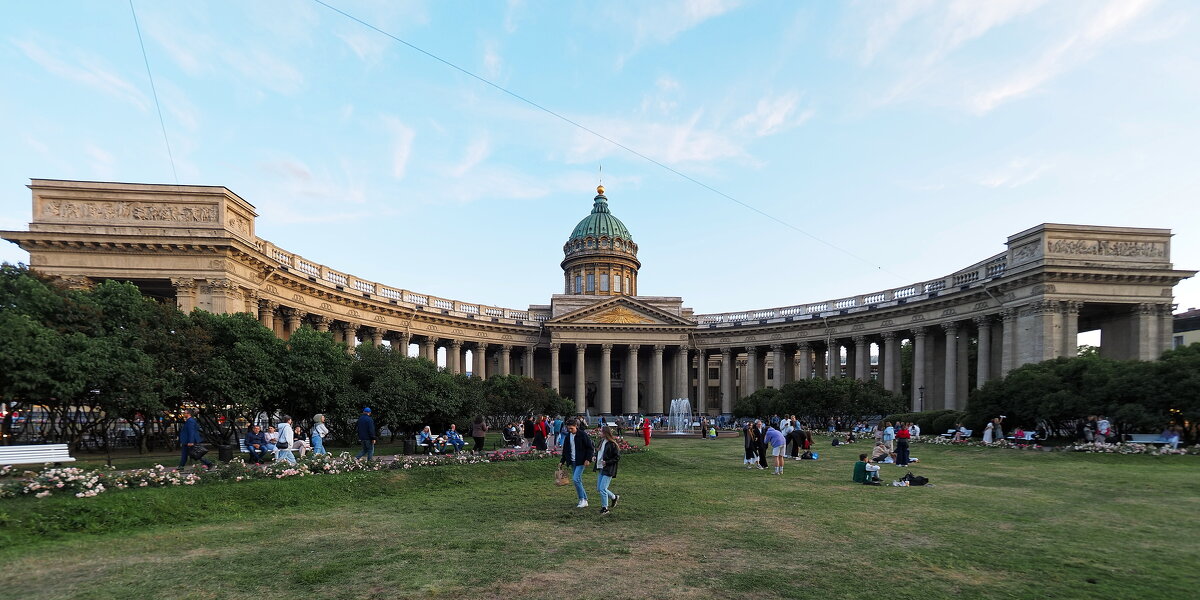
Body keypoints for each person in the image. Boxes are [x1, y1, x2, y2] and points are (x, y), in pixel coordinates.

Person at [559, 419, 595, 508]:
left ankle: (582, 499)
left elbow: (590, 448)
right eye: (568, 429)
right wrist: (562, 461)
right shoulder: (568, 436)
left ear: (576, 426)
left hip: (581, 461)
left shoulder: (583, 435)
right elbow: (565, 450)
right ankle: (584, 499)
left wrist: (588, 459)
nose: (570, 430)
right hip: (572, 461)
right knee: (577, 480)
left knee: (576, 479)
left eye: (571, 428)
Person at [594, 426, 622, 515]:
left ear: (605, 433)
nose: (599, 433)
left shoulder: (612, 444)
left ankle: (605, 508)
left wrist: (607, 462)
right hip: (601, 468)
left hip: (609, 469)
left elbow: (617, 457)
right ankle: (614, 497)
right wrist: (595, 456)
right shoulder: (601, 442)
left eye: (601, 431)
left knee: (602, 489)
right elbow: (599, 452)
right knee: (599, 488)